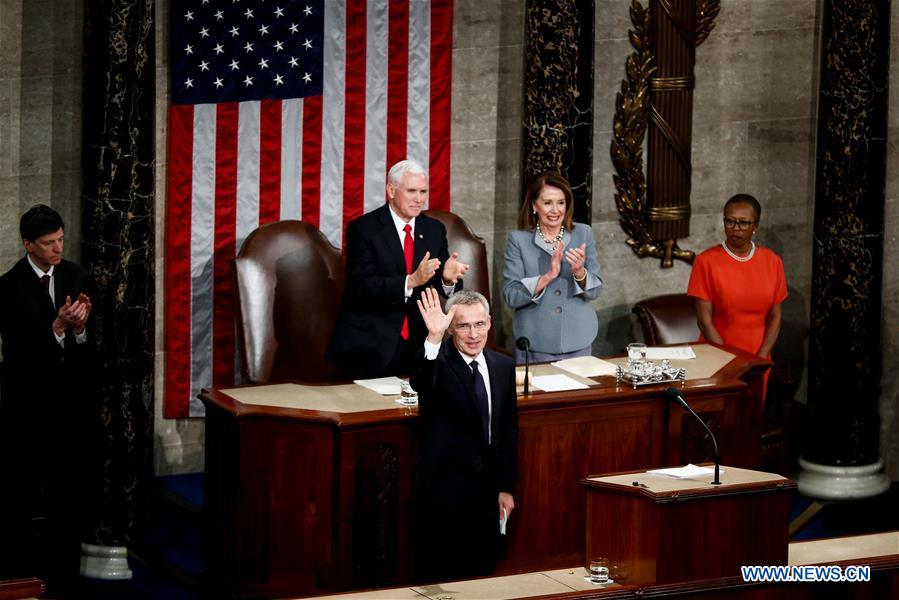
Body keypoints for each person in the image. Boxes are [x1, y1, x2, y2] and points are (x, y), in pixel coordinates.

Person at [0, 204, 97, 591]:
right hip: (26, 414)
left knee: (67, 502)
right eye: (48, 242)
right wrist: (55, 328)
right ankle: (22, 581)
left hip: (69, 413)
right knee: (21, 500)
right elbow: (17, 356)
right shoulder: (7, 287)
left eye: (60, 239)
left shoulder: (77, 275)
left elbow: (90, 347)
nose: (58, 248)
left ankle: (65, 581)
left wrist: (79, 330)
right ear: (28, 244)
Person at [327, 159, 469, 380]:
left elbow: (442, 281)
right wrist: (411, 281)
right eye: (411, 191)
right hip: (369, 343)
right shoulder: (363, 228)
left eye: (423, 191)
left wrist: (448, 280)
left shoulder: (433, 230)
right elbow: (361, 286)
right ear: (391, 190)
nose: (419, 199)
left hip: (417, 344)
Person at [412, 288, 518, 582]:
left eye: (479, 324)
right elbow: (421, 381)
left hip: (487, 497)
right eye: (463, 325)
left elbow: (509, 431)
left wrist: (506, 487)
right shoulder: (439, 362)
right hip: (443, 497)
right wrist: (433, 337)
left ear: (489, 323)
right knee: (443, 580)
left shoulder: (502, 366)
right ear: (450, 328)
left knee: (482, 577)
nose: (473, 334)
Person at [687, 193, 787, 395]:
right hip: (718, 352)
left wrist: (761, 356)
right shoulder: (706, 262)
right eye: (730, 221)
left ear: (755, 226)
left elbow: (775, 316)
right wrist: (728, 358)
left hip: (758, 353)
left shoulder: (772, 261)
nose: (735, 228)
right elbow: (704, 321)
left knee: (751, 418)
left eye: (743, 223)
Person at [503, 171, 603, 363]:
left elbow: (596, 291)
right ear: (534, 205)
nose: (555, 210)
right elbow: (511, 296)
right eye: (548, 202)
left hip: (578, 339)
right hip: (535, 342)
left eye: (561, 202)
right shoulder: (519, 240)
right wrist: (547, 277)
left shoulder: (583, 233)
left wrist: (580, 273)